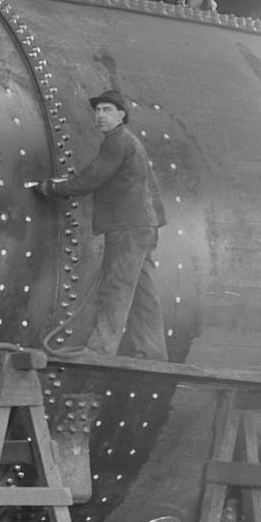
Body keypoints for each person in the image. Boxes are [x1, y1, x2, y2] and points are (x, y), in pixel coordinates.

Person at [33, 87, 168, 360]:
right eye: (97, 110)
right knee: (144, 293)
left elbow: (93, 177)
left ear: (121, 115)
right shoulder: (131, 143)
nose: (100, 115)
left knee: (117, 286)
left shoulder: (118, 142)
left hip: (127, 226)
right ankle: (153, 352)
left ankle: (100, 349)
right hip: (143, 225)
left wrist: (52, 189)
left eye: (107, 110)